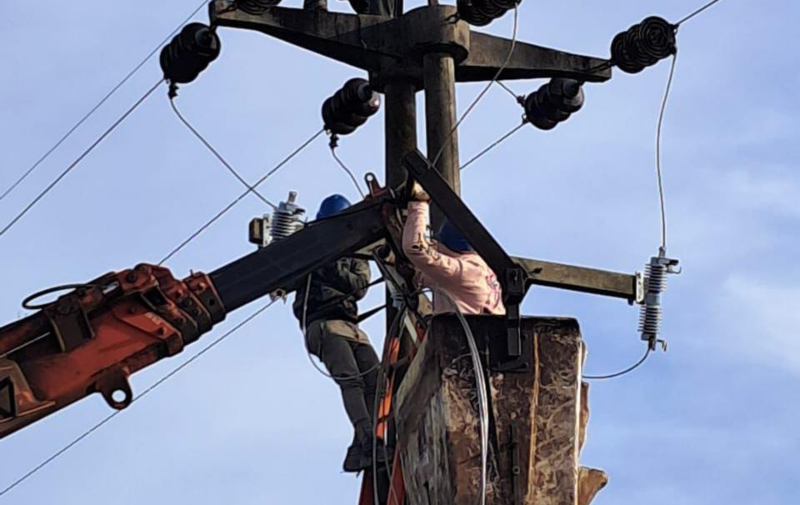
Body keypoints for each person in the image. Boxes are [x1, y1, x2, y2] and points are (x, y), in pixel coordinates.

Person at [293, 194, 380, 473]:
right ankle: (367, 437)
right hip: (323, 324)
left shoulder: (355, 253)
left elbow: (359, 286)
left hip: (350, 325)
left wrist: (333, 260)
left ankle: (366, 442)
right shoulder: (310, 249)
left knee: (376, 381)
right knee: (351, 379)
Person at [402, 183, 506, 315]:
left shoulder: (464, 272)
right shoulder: (479, 268)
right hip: (486, 333)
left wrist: (419, 204)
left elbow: (416, 249)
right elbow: (422, 275)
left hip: (467, 334)